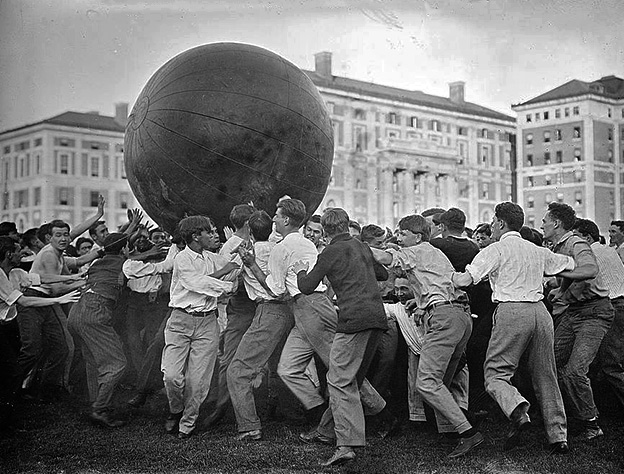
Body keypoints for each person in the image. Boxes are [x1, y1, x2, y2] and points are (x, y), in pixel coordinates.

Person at [240, 199, 386, 452]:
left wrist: (252, 265)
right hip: (305, 309)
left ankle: (381, 414)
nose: (273, 219)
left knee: (341, 373)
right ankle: (324, 420)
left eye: (276, 215)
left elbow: (275, 290)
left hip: (311, 308)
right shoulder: (308, 243)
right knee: (288, 369)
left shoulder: (282, 248)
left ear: (286, 220)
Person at [453, 202, 575, 453]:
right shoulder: (536, 249)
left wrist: (448, 276)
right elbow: (571, 265)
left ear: (499, 223)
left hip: (512, 310)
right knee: (546, 374)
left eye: (493, 223)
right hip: (540, 312)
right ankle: (558, 436)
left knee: (496, 374)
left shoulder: (496, 249)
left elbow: (466, 280)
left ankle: (518, 409)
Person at [370, 214, 482, 458]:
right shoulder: (433, 252)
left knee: (427, 383)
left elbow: (384, 257)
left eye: (402, 232)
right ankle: (450, 432)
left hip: (444, 318)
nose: (398, 236)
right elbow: (438, 284)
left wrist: (353, 245)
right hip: (460, 315)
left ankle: (468, 433)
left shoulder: (418, 250)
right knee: (441, 382)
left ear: (417, 236)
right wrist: (419, 303)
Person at [293, 208, 388, 466]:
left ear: (325, 230)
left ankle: (347, 444)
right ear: (346, 225)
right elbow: (383, 275)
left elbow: (306, 286)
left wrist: (301, 270)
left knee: (338, 381)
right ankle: (326, 430)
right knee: (351, 379)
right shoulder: (361, 246)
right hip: (377, 318)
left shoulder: (329, 252)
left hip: (353, 320)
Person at [162, 216, 239, 439]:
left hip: (207, 322)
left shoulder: (212, 258)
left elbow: (233, 266)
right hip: (180, 320)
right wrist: (225, 285)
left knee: (198, 381)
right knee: (172, 375)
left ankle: (187, 422)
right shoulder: (182, 259)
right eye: (211, 232)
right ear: (196, 236)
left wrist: (241, 258)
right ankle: (176, 410)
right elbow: (196, 282)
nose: (215, 235)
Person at [542, 202, 613, 440]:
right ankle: (568, 415)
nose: (542, 225)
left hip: (594, 313)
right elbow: (570, 274)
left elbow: (590, 269)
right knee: (551, 361)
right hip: (575, 313)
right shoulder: (560, 246)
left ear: (557, 224)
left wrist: (559, 276)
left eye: (545, 221)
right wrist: (558, 287)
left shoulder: (576, 243)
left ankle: (591, 425)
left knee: (574, 371)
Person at [0, 236, 80, 431]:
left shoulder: (17, 272)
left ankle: (10, 414)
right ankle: (6, 419)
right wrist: (58, 300)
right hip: (4, 326)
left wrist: (74, 277)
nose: (24, 254)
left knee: (13, 370)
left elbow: (43, 278)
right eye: (19, 251)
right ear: (9, 254)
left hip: (7, 326)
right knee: (12, 370)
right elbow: (25, 302)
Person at [227, 210, 294, 441]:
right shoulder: (279, 248)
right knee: (280, 366)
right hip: (288, 311)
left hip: (269, 310)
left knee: (238, 371)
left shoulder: (247, 252)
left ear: (249, 232)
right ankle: (294, 414)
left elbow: (225, 273)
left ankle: (249, 426)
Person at [67, 233, 130, 427]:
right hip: (95, 311)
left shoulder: (99, 263)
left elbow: (117, 242)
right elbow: (133, 261)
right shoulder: (124, 262)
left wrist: (130, 231)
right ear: (123, 249)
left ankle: (96, 403)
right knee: (116, 363)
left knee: (93, 361)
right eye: (128, 247)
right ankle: (100, 408)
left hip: (77, 312)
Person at [202, 203, 255, 428]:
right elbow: (224, 282)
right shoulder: (232, 247)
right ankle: (222, 404)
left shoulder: (251, 241)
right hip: (240, 305)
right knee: (230, 356)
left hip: (255, 305)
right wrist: (240, 278)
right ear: (247, 223)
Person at [573, 218, 624, 411]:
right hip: (618, 305)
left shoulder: (591, 253)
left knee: (611, 365)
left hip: (614, 306)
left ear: (587, 237)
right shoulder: (607, 250)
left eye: (576, 237)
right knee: (606, 362)